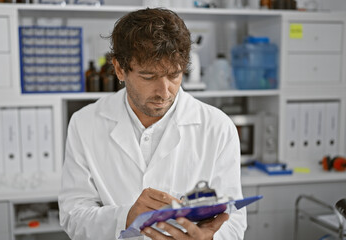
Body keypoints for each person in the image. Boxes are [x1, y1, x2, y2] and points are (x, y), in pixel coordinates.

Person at [59, 8, 246, 240]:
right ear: (119, 68)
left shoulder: (217, 127)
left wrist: (207, 238)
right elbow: (73, 216)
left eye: (174, 75)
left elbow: (234, 221)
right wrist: (126, 217)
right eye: (149, 77)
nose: (164, 92)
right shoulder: (85, 123)